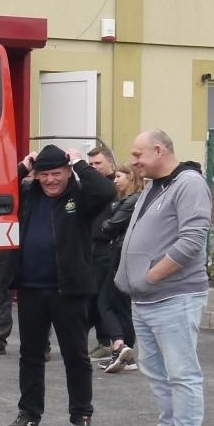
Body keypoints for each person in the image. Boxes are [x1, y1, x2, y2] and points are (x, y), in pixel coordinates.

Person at [3, 144, 115, 426]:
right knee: (30, 355)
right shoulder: (27, 196)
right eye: (44, 174)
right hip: (31, 289)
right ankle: (29, 414)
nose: (51, 180)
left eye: (57, 173)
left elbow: (105, 191)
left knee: (75, 355)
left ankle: (82, 415)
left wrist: (79, 163)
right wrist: (23, 168)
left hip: (70, 290)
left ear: (67, 172)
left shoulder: (80, 197)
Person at [118, 129, 211, 426]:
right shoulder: (154, 185)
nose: (134, 162)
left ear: (159, 150)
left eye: (139, 155)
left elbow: (191, 241)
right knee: (158, 373)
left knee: (182, 373)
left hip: (174, 296)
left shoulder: (188, 184)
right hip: (145, 299)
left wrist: (150, 276)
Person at [96, 166, 143, 375]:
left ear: (130, 177)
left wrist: (105, 223)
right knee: (123, 305)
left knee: (104, 302)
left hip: (120, 254)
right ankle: (128, 354)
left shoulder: (131, 201)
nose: (114, 181)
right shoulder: (140, 199)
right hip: (128, 254)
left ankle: (118, 344)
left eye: (118, 176)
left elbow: (110, 226)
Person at [85, 145, 120, 358]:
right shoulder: (89, 187)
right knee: (91, 294)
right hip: (90, 246)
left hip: (107, 247)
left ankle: (106, 342)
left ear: (110, 162)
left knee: (101, 296)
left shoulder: (115, 186)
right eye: (90, 165)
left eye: (97, 163)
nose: (94, 168)